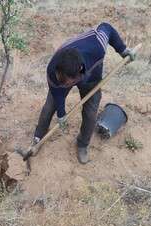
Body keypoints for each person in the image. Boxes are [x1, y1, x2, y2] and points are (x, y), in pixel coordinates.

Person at [33, 22, 136, 164]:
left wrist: (122, 50)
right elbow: (58, 92)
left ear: (78, 75)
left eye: (67, 82)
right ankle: (38, 138)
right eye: (60, 79)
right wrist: (61, 113)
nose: (62, 84)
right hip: (70, 72)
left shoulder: (97, 46)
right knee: (50, 106)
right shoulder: (53, 71)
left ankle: (82, 144)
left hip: (91, 77)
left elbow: (107, 27)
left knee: (90, 112)